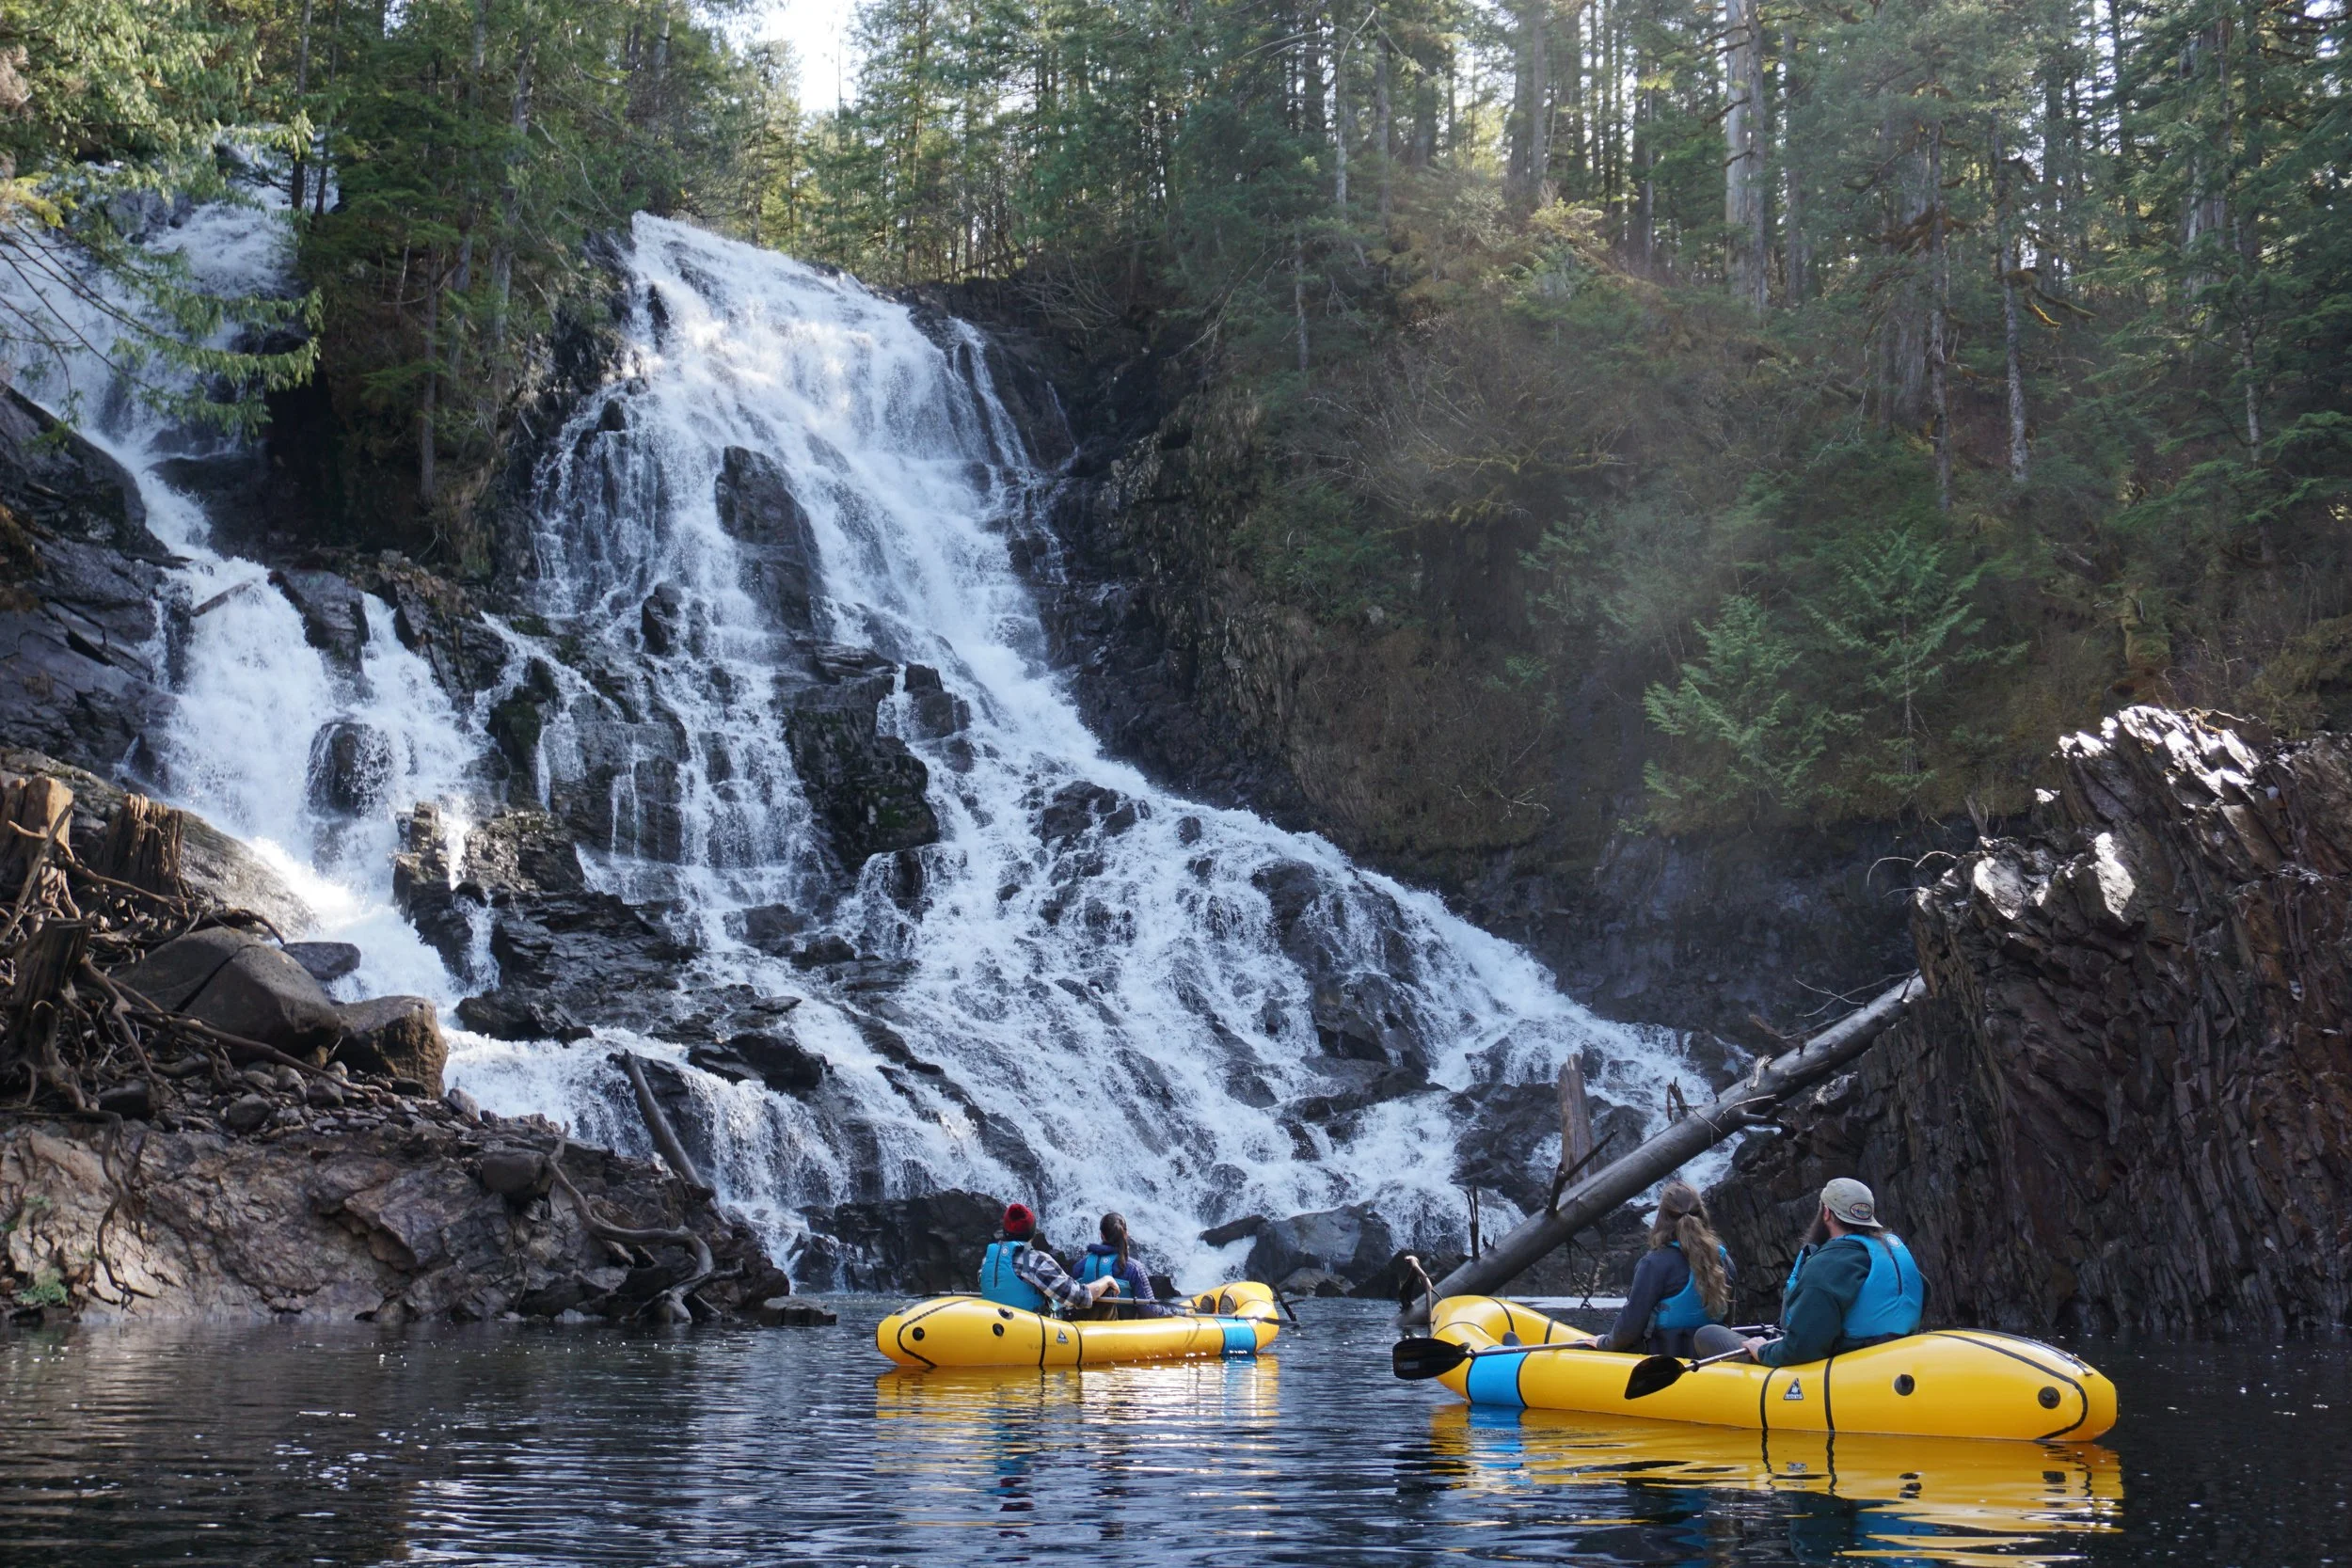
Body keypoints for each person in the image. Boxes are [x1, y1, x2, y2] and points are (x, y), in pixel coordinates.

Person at [1727, 1177, 1926, 1367]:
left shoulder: (1829, 1264)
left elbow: (1802, 1349)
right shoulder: (1892, 1252)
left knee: (1709, 1334)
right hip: (1895, 1358)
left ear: (1826, 1213)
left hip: (1843, 1366)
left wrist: (1762, 1351)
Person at [1602, 1180, 1736, 1356]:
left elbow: (1628, 1331)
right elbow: (1727, 1322)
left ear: (1661, 1219)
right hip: (1711, 1363)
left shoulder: (1654, 1264)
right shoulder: (1723, 1259)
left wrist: (1602, 1342)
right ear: (1702, 1214)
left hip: (1665, 1366)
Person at [978, 1202, 1121, 1315]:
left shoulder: (988, 1261)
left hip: (995, 1333)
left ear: (1005, 1230)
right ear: (1032, 1232)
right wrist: (1106, 1280)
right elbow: (1078, 1297)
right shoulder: (1034, 1261)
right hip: (1029, 1337)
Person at [1074, 1212, 1169, 1318]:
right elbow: (1150, 1312)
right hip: (1124, 1331)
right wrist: (1175, 1312)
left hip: (1086, 1329)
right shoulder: (1134, 1268)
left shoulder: (1079, 1267)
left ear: (1102, 1235)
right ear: (1126, 1234)